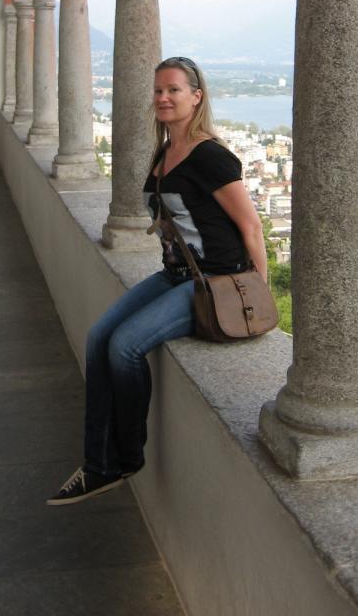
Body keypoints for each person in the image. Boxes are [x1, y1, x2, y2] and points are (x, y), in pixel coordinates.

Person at [46, 56, 266, 506]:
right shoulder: (166, 151)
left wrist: (256, 292)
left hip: (214, 281)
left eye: (174, 90)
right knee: (98, 337)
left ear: (196, 96)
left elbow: (252, 227)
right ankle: (97, 463)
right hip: (175, 274)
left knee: (125, 346)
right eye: (158, 91)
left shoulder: (211, 156)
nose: (163, 98)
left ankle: (123, 458)